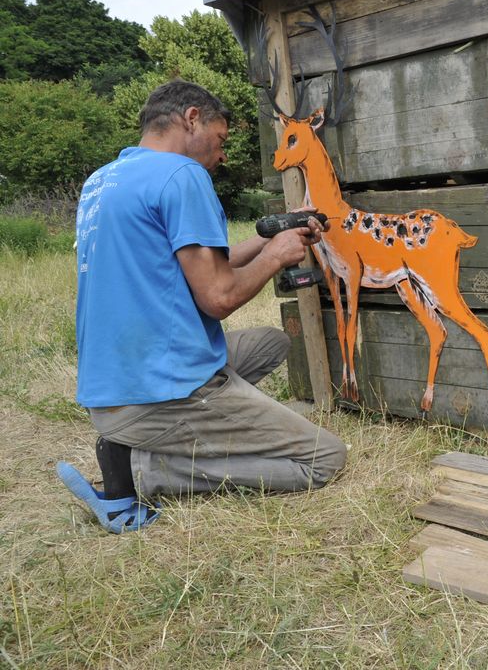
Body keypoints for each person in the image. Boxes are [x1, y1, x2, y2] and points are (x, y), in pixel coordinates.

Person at [57, 80, 347, 534]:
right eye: (220, 139)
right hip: (161, 389)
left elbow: (201, 266)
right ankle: (146, 471)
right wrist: (277, 257)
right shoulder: (182, 175)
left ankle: (154, 437)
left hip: (114, 385)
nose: (222, 154)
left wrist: (270, 239)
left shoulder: (103, 181)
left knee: (271, 344)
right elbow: (219, 298)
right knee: (326, 459)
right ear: (192, 118)